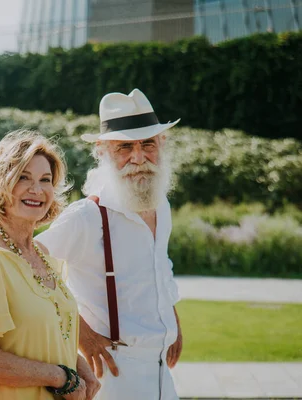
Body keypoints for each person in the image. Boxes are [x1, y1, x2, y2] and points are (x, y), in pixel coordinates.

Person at [37, 89, 183, 400]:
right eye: (124, 147)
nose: (138, 157)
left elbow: (160, 267)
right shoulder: (87, 216)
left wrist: (173, 320)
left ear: (162, 145)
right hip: (113, 374)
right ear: (103, 152)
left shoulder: (161, 205)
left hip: (160, 369)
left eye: (147, 144)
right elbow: (26, 268)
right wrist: (81, 335)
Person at [0, 130, 100, 400]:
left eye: (46, 180)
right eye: (23, 177)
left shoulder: (43, 255)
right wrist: (61, 377)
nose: (37, 189)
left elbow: (48, 337)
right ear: (1, 183)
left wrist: (80, 368)